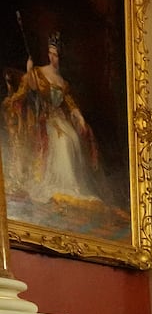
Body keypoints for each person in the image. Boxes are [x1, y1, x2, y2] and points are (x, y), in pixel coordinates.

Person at [1, 31, 111, 209]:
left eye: (56, 55)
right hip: (44, 119)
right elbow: (31, 88)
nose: (53, 58)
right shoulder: (39, 72)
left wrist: (80, 116)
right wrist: (29, 69)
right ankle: (59, 184)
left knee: (74, 139)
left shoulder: (63, 82)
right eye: (51, 54)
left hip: (60, 119)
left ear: (61, 57)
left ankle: (72, 184)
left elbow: (70, 103)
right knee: (64, 141)